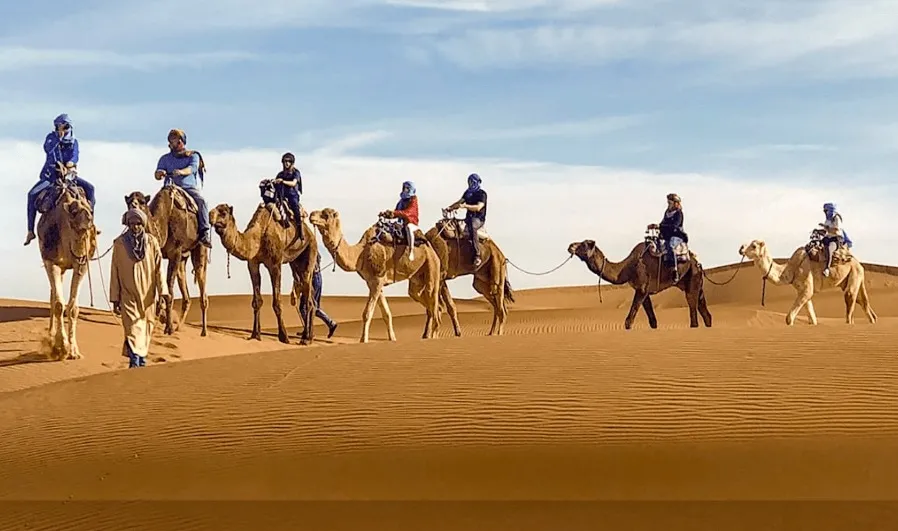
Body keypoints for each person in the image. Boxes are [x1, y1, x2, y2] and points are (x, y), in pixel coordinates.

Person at [109, 208, 170, 369]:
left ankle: (141, 362)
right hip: (128, 295)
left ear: (143, 224)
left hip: (149, 295)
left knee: (146, 328)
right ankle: (134, 363)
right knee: (132, 329)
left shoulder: (151, 242)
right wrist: (115, 297)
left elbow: (159, 268)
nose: (135, 227)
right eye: (132, 224)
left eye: (138, 224)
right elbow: (114, 270)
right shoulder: (119, 243)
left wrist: (163, 292)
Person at [24, 114, 97, 246]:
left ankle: (90, 222)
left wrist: (70, 164)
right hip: (51, 176)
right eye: (58, 126)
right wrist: (58, 139)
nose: (61, 129)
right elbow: (48, 149)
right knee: (32, 194)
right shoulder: (51, 138)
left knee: (90, 189)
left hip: (69, 176)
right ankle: (30, 230)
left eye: (65, 126)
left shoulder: (74, 142)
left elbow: (75, 156)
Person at [154, 128, 212, 248]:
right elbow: (157, 174)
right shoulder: (165, 159)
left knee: (202, 202)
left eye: (175, 140)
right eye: (171, 140)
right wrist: (160, 173)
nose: (173, 143)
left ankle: (204, 232)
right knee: (154, 205)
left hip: (187, 188)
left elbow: (192, 169)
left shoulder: (193, 156)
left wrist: (181, 172)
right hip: (168, 188)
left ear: (181, 142)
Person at [444, 173, 487, 267]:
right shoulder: (468, 193)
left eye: (472, 182)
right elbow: (459, 202)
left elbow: (478, 207)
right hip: (468, 218)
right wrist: (450, 208)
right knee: (452, 225)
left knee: (472, 226)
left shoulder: (482, 194)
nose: (470, 184)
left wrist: (465, 206)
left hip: (478, 218)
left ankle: (477, 255)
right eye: (469, 182)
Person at [298, 253, 339, 339]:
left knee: (305, 308)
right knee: (314, 307)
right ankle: (330, 324)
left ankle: (308, 329)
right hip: (317, 278)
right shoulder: (314, 250)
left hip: (312, 279)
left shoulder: (306, 250)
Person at [652, 193, 688, 282]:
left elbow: (674, 226)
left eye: (670, 202)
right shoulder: (667, 213)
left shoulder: (679, 214)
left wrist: (660, 226)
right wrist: (656, 226)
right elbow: (663, 223)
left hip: (677, 236)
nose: (668, 204)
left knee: (670, 245)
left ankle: (674, 270)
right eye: (668, 202)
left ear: (675, 203)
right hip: (667, 235)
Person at [381, 181, 419, 260]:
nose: (405, 190)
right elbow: (395, 213)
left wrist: (394, 213)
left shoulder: (413, 201)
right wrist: (386, 214)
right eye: (404, 188)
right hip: (401, 224)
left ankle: (411, 250)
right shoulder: (401, 202)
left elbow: (407, 213)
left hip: (412, 223)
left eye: (407, 188)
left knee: (408, 227)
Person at [274, 152, 303, 240]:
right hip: (281, 195)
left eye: (289, 161)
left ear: (292, 163)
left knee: (295, 208)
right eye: (285, 161)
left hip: (292, 195)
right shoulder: (280, 174)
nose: (286, 163)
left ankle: (300, 230)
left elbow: (294, 183)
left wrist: (282, 181)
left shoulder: (296, 173)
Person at [819, 202, 852, 277]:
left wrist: (827, 228)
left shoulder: (836, 218)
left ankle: (827, 269)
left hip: (836, 239)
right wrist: (819, 231)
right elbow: (826, 231)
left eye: (826, 210)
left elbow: (836, 230)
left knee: (829, 250)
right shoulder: (827, 220)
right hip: (828, 238)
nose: (825, 212)